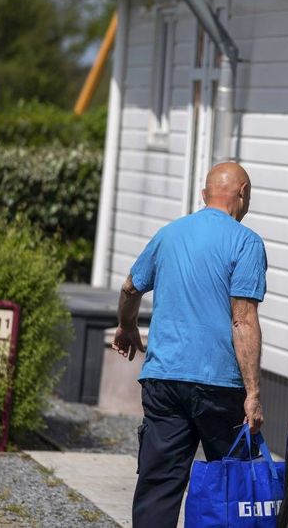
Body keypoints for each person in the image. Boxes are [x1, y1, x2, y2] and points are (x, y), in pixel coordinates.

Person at [111, 161, 267, 528]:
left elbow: (130, 287)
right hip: (219, 385)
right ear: (242, 194)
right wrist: (254, 393)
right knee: (234, 484)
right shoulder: (246, 242)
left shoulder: (169, 234)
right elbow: (242, 319)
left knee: (159, 483)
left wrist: (127, 326)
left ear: (204, 195)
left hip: (164, 381)